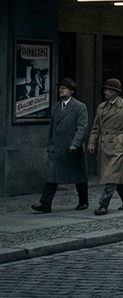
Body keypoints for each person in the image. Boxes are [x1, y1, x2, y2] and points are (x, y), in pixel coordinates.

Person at [32, 77, 90, 213]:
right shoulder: (56, 107)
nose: (61, 91)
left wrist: (75, 144)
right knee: (52, 175)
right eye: (60, 88)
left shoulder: (79, 107)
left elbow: (82, 128)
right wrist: (50, 145)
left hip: (72, 149)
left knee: (79, 176)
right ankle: (45, 203)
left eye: (63, 88)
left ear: (71, 91)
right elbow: (52, 128)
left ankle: (83, 201)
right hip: (57, 148)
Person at [87, 78, 123, 216]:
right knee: (113, 175)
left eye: (108, 90)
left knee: (112, 175)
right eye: (105, 89)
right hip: (104, 144)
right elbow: (96, 127)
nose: (105, 92)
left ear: (115, 92)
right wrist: (92, 142)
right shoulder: (101, 107)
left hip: (119, 144)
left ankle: (103, 204)